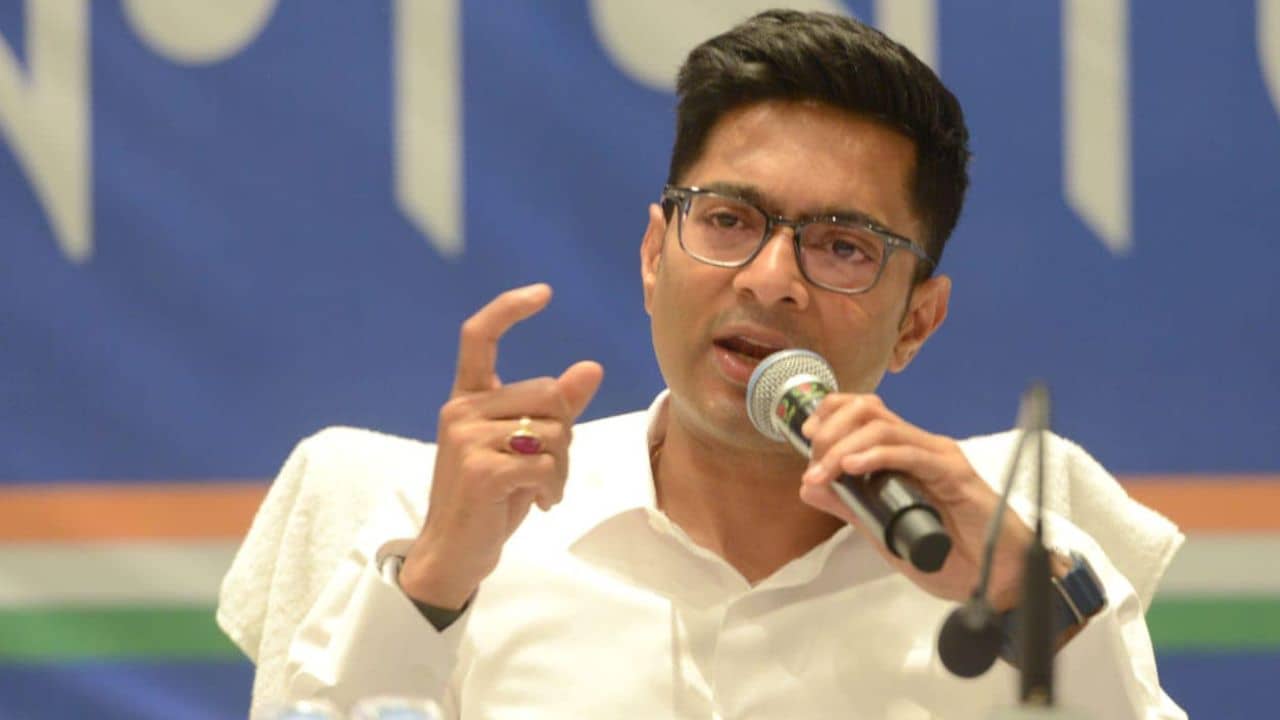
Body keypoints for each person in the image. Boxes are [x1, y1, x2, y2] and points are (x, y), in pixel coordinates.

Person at [220, 10, 1187, 718]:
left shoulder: (1005, 561)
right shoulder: (460, 529)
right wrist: (433, 584)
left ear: (917, 323)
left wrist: (1031, 602)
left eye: (842, 245)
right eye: (729, 220)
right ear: (654, 257)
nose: (771, 280)